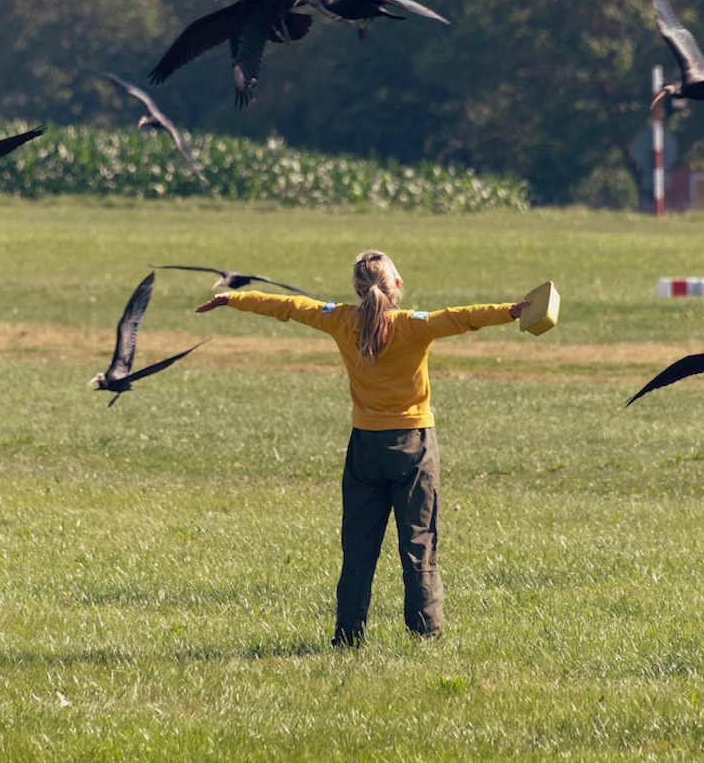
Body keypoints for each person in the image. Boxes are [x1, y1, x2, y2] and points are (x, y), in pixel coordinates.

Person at [195, 250, 528, 646]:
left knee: (358, 549)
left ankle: (349, 637)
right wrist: (513, 310)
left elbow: (290, 307)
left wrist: (234, 298)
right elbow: (463, 317)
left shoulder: (339, 320)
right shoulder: (413, 325)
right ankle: (425, 636)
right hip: (414, 446)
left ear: (356, 290)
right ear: (397, 287)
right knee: (419, 543)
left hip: (365, 447)